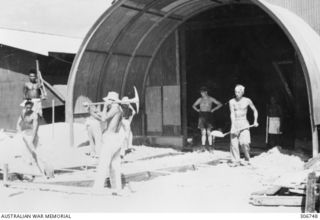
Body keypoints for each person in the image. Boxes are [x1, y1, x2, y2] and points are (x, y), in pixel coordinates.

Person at [93, 91, 126, 195]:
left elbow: (103, 118)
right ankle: (116, 188)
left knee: (103, 163)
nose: (106, 102)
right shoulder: (118, 108)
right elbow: (103, 117)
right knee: (114, 164)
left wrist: (104, 107)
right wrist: (91, 111)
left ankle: (98, 189)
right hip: (116, 138)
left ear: (112, 101)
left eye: (108, 100)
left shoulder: (115, 107)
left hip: (111, 138)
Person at [229, 85, 258, 166]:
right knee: (234, 143)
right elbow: (232, 114)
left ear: (242, 92)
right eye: (235, 92)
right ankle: (235, 161)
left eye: (238, 92)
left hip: (244, 123)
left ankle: (247, 158)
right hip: (235, 123)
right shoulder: (231, 101)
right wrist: (233, 126)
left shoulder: (247, 100)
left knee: (245, 142)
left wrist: (255, 121)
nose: (236, 93)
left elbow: (255, 110)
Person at [16, 100, 40, 166]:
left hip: (32, 134)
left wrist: (32, 139)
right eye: (27, 107)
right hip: (25, 133)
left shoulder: (34, 114)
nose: (28, 109)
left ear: (32, 107)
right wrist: (20, 132)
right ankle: (28, 165)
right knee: (25, 151)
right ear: (25, 107)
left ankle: (36, 165)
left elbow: (35, 128)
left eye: (30, 107)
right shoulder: (23, 113)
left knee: (33, 151)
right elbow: (18, 123)